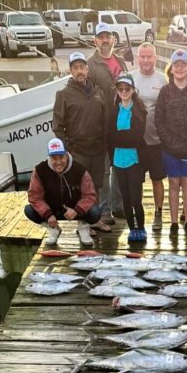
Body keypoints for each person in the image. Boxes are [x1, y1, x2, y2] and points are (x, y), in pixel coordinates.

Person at [52, 52, 111, 232]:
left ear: (87, 69)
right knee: (80, 190)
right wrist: (68, 150)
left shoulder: (97, 92)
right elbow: (58, 126)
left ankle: (96, 219)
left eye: (82, 67)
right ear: (70, 71)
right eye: (75, 68)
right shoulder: (64, 94)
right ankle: (83, 224)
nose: (79, 71)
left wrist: (104, 144)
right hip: (77, 152)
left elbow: (105, 121)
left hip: (98, 150)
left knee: (97, 187)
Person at [154, 49, 187, 237]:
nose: (179, 68)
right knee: (174, 183)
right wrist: (169, 142)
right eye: (176, 65)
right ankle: (174, 222)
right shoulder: (165, 92)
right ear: (171, 69)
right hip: (170, 149)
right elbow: (159, 121)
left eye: (183, 65)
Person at [25, 138, 103, 247]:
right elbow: (34, 196)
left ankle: (83, 228)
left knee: (96, 212)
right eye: (54, 158)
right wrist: (48, 215)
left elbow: (89, 195)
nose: (58, 162)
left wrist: (76, 210)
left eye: (61, 157)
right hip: (52, 212)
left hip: (75, 211)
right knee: (29, 210)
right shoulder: (39, 170)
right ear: (49, 157)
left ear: (67, 155)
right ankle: (53, 229)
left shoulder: (79, 170)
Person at [87, 22, 127, 218]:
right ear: (95, 40)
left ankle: (118, 205)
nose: (105, 40)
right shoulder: (90, 65)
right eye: (101, 37)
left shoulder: (120, 61)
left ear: (113, 39)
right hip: (100, 125)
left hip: (121, 123)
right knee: (103, 171)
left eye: (108, 36)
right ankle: (103, 212)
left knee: (119, 165)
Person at [107, 73, 148, 244]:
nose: (123, 91)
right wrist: (124, 137)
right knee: (125, 198)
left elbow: (137, 137)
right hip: (118, 162)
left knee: (136, 199)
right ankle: (132, 229)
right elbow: (109, 137)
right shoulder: (114, 111)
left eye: (127, 88)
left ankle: (141, 228)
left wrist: (119, 137)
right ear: (117, 90)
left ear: (133, 90)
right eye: (120, 88)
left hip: (134, 161)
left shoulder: (139, 110)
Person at [131, 41, 168, 230]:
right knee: (136, 180)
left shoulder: (162, 80)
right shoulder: (130, 79)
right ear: (138, 58)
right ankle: (139, 214)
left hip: (156, 140)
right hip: (136, 141)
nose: (146, 60)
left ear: (155, 58)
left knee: (157, 179)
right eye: (142, 57)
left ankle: (158, 213)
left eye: (149, 56)